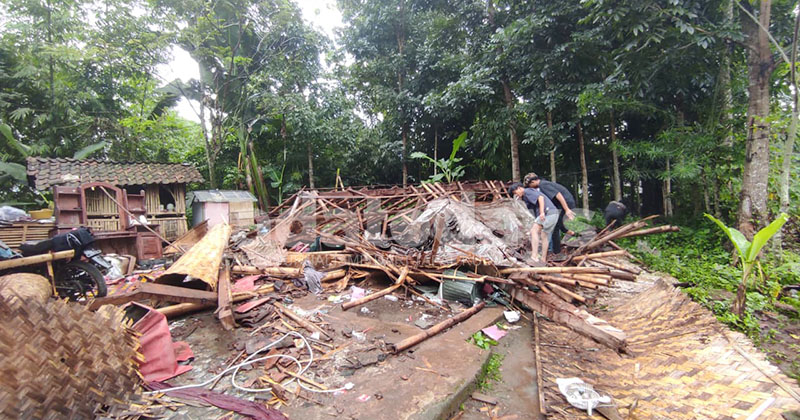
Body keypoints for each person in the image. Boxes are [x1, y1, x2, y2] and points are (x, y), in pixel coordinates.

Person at [523, 173, 576, 254]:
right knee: (557, 224)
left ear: (533, 182)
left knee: (555, 227)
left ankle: (556, 251)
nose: (530, 188)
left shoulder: (543, 185)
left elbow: (558, 195)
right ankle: (570, 234)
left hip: (565, 203)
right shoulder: (543, 184)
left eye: (529, 186)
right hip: (560, 206)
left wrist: (567, 209)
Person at [508, 182, 560, 263]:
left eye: (515, 192)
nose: (516, 195)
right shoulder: (526, 197)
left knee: (534, 231)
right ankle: (543, 259)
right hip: (554, 213)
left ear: (519, 188)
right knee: (544, 236)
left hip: (548, 212)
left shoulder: (527, 191)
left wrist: (542, 212)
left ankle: (534, 256)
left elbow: (540, 198)